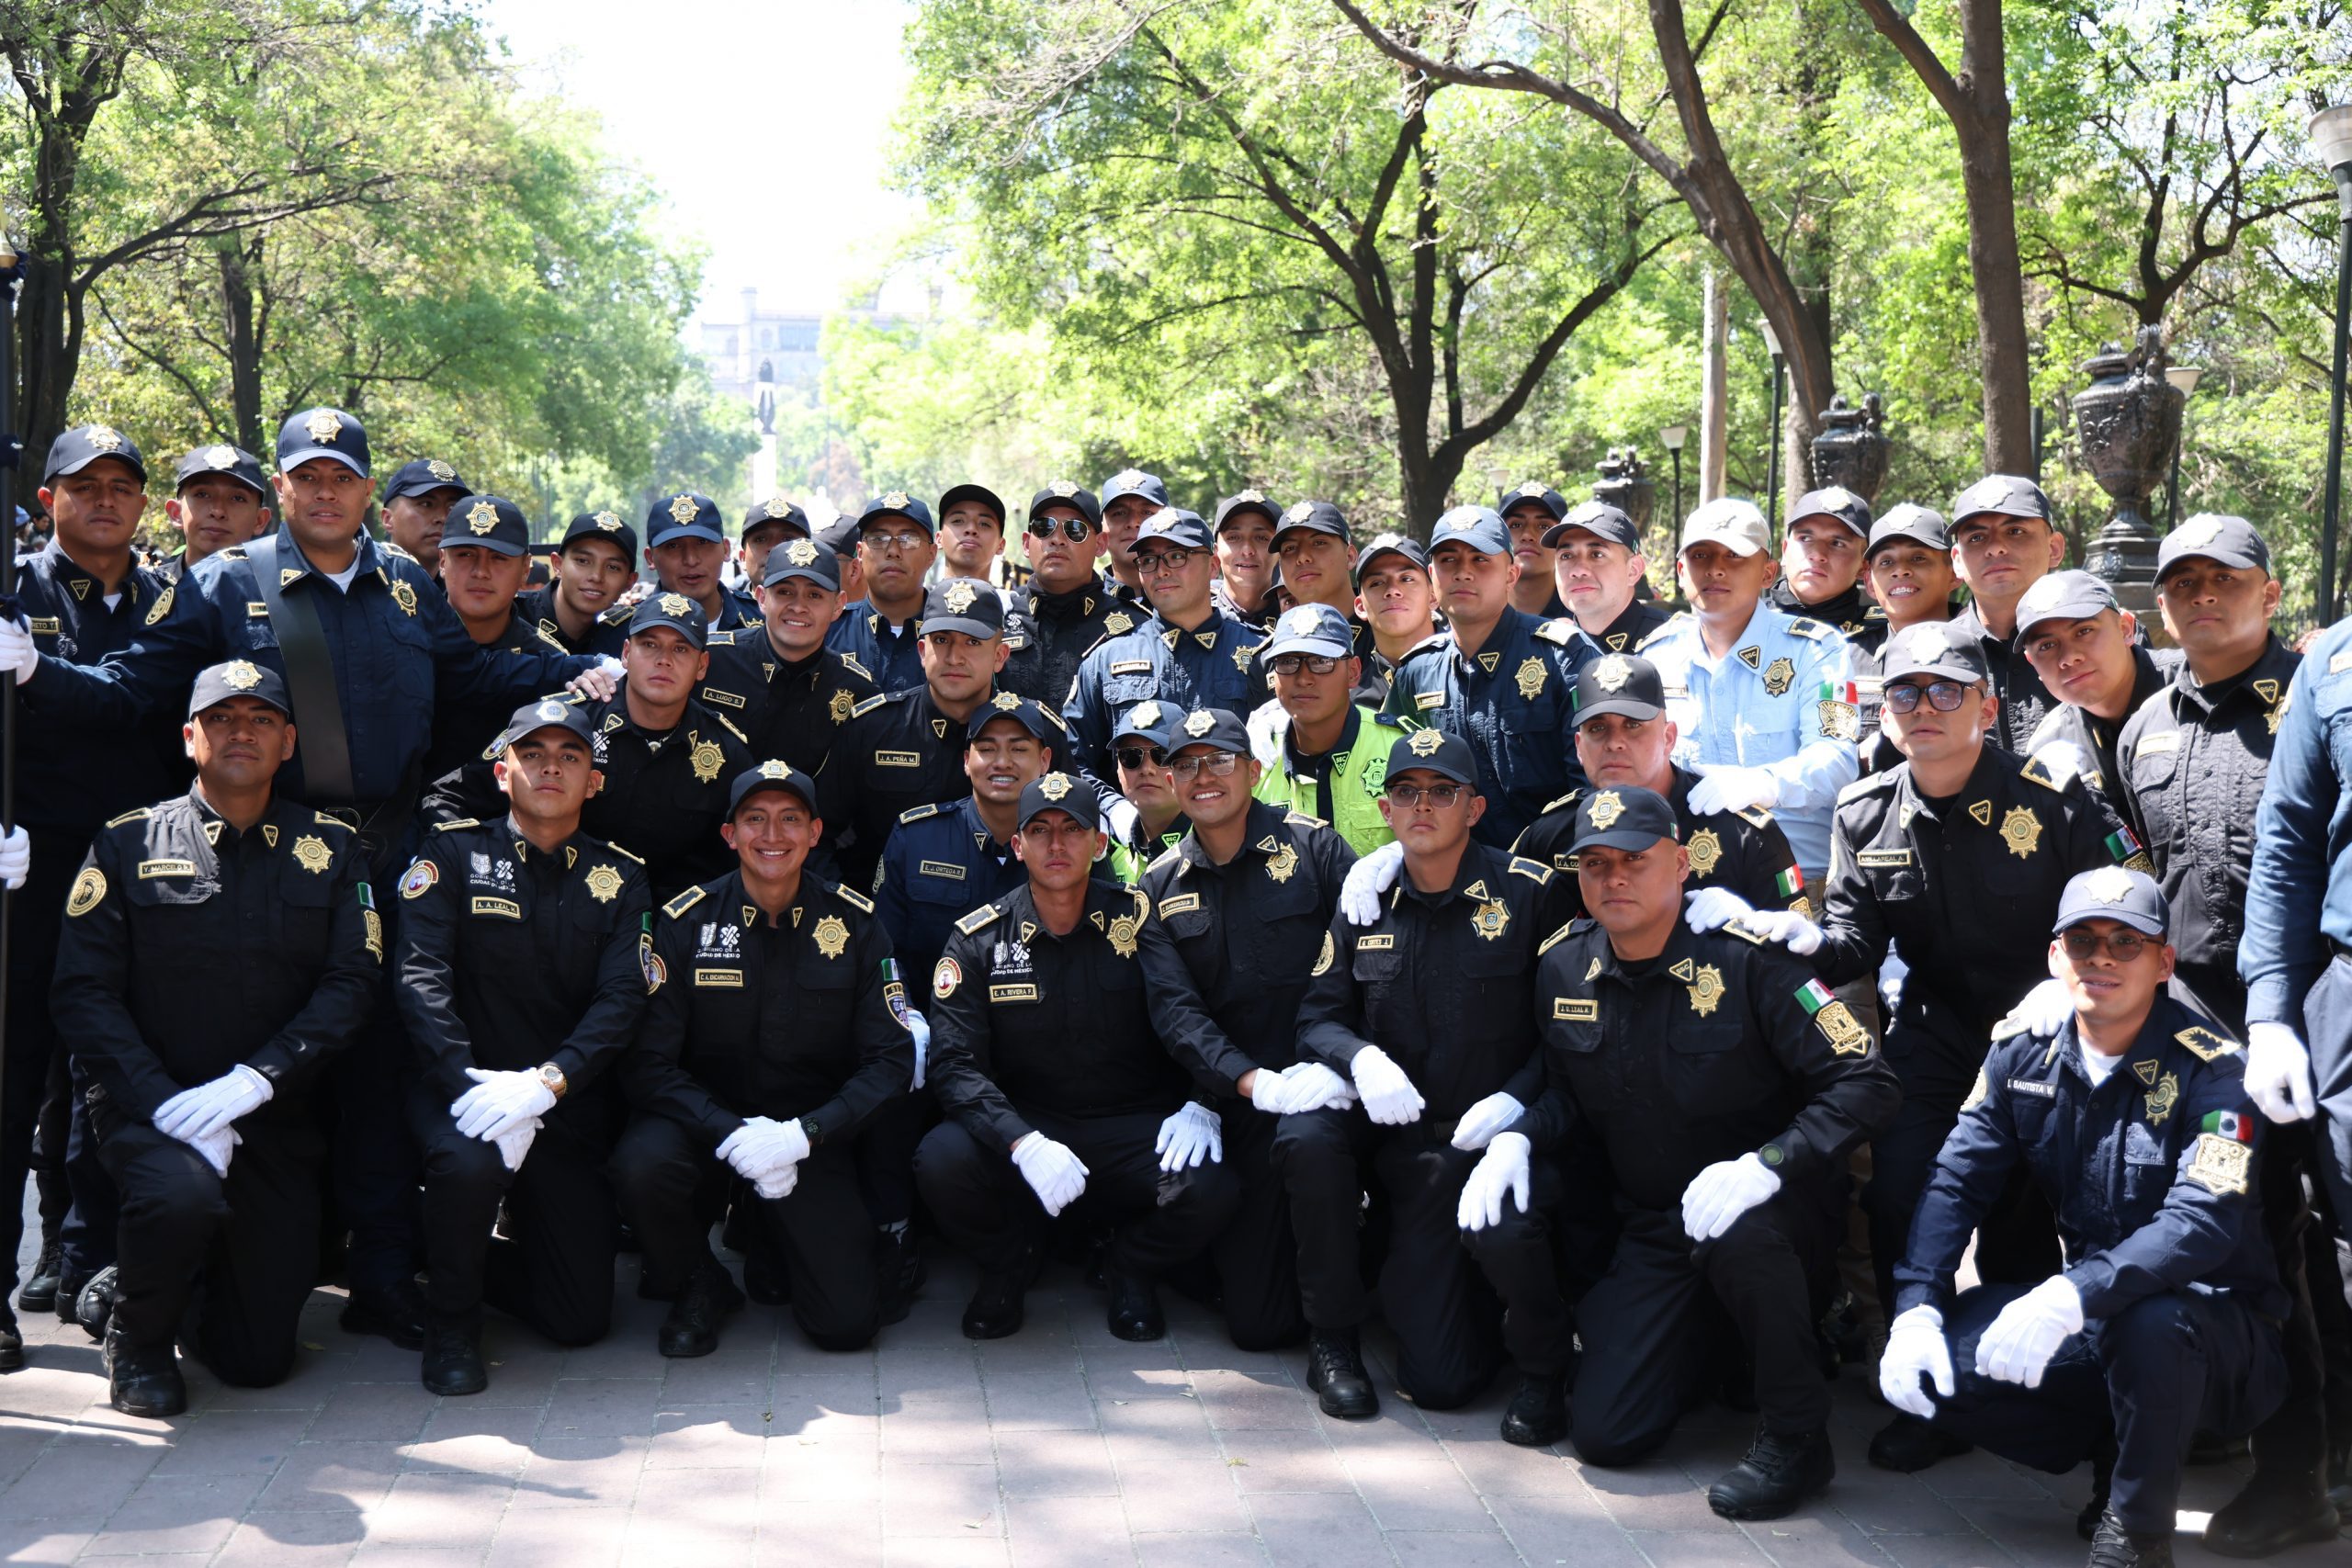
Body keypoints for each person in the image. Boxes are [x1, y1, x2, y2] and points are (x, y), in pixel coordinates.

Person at [4, 408, 607, 1349]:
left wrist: (585, 673)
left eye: (342, 478)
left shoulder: (407, 581)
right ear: (281, 489)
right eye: (307, 478)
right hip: (270, 868)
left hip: (388, 856)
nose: (325, 494)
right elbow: (129, 695)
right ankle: (159, 1264)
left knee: (377, 1069)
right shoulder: (218, 584)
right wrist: (37, 672)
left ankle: (378, 1272)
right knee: (250, 1052)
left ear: (367, 492)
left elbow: (471, 676)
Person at [1692, 620, 2146, 1472]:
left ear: (1984, 703)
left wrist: (2074, 976)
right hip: (1938, 1033)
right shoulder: (1866, 809)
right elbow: (1852, 943)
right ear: (1885, 712)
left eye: (1946, 689)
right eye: (1906, 692)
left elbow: (2124, 898)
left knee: (2043, 1216)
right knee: (1901, 1191)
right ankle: (1934, 1392)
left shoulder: (2053, 795)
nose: (1925, 706)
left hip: (2054, 1022)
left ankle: (2082, 1414)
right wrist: (1780, 932)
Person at [1467, 784, 1896, 1510]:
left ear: (1679, 865)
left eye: (1634, 860)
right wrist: (1518, 1135)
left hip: (1772, 1216)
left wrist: (1771, 1165)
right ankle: (1712, 1350)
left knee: (1742, 1237)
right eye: (1594, 864)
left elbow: (1867, 1081)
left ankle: (1797, 1437)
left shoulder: (1749, 960)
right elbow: (1570, 1091)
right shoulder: (1565, 967)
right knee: (1607, 1435)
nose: (1614, 879)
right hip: (1660, 1225)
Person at [1879, 867, 2286, 1568]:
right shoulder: (2021, 1055)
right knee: (1941, 1363)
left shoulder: (2217, 1074)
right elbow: (1955, 1182)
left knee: (2149, 1323)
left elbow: (2203, 1225)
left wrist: (2070, 1293)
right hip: (2098, 1314)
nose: (2101, 957)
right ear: (2054, 956)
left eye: (2126, 942)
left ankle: (2137, 1530)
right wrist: (1915, 1306)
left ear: (2164, 962)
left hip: (2219, 1336)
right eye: (2083, 939)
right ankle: (2114, 1446)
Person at [51, 661, 379, 1411]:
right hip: (148, 1110)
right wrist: (164, 1104)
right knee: (180, 1196)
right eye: (223, 717)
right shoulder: (126, 843)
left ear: (288, 741)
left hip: (271, 1115)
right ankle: (137, 1338)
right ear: (190, 734)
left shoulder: (331, 848)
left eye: (261, 719)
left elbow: (352, 982)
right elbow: (82, 993)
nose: (242, 731)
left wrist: (258, 1080)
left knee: (257, 1360)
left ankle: (154, 1277)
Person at [2117, 517, 2343, 1551]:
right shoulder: (2142, 725)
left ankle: (2320, 1460)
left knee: (2322, 1248)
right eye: (2182, 583)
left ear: (2271, 589)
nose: (2202, 597)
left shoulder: (2308, 693)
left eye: (2225, 579)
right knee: (2255, 1250)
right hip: (2200, 1037)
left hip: (2305, 1013)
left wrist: (2283, 1010)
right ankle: (2286, 1462)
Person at [1276, 731, 1559, 1419]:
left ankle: (1523, 1341)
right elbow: (1317, 1017)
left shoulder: (1530, 897)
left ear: (1476, 807)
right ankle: (1334, 1337)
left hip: (1482, 1144)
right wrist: (1361, 1059)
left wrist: (1516, 1101)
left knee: (1441, 1383)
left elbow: (1572, 1030)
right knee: (1305, 1134)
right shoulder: (1366, 898)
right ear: (1386, 806)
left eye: (1442, 791)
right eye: (1407, 791)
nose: (1422, 805)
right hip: (1397, 1144)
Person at [916, 772, 1240, 1341]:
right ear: (1017, 846)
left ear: (1100, 843)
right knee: (941, 1158)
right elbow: (954, 1065)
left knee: (1213, 1185)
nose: (1057, 845)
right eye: (1040, 831)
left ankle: (1130, 1265)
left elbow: (1185, 1018)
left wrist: (1205, 1097)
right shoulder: (978, 940)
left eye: (1073, 830)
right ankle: (1007, 1263)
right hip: (1028, 1124)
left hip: (1130, 1126)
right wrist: (1021, 1139)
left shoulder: (1137, 922)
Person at [615, 761, 917, 1355]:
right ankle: (700, 1278)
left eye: (789, 819)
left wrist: (804, 1134)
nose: (772, 835)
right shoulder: (686, 921)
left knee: (846, 1325)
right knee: (640, 1164)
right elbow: (647, 1061)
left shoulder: (854, 923)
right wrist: (729, 1131)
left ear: (814, 832)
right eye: (755, 819)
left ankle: (767, 1226)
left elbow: (891, 1058)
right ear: (730, 834)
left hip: (806, 1135)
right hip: (707, 1125)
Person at [395, 700, 651, 1393]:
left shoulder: (621, 877)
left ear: (593, 782)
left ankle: (436, 1249)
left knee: (578, 1318)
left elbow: (622, 998)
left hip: (561, 1104)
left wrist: (550, 1082)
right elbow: (420, 975)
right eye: (532, 753)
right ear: (502, 770)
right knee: (469, 1165)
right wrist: (467, 1084)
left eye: (570, 756)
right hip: (462, 1095)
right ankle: (452, 1323)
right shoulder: (451, 854)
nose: (550, 767)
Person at [0, 426, 181, 1332]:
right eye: (85, 484)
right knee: (14, 1065)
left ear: (145, 505)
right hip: (25, 865)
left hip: (129, 868)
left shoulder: (166, 604)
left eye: (123, 485)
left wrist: (37, 674)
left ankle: (87, 1264)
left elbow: (129, 701)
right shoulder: (12, 592)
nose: (106, 499)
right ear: (48, 500)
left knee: (107, 1071)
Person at [1136, 710, 1358, 1351]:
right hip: (1243, 1098)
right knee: (1259, 1326)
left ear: (1254, 770)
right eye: (1186, 764)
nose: (1203, 776)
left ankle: (1336, 1345)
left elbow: (1366, 961)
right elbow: (1177, 1012)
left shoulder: (1315, 848)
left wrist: (1343, 1060)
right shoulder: (1159, 885)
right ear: (1172, 781)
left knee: (1314, 1149)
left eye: (1220, 759)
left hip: (1327, 1083)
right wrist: (1241, 1081)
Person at [427, 596, 755, 902]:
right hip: (547, 906)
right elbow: (451, 797)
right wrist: (475, 874)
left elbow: (737, 856)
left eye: (681, 649)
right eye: (649, 644)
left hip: (666, 923)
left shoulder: (726, 752)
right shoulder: (568, 721)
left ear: (702, 665)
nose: (664, 660)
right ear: (626, 653)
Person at [1641, 497, 1856, 894]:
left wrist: (1766, 784)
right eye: (1701, 555)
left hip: (1795, 886)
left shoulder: (1818, 650)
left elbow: (1838, 758)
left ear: (1768, 572)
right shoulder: (1655, 657)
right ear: (1681, 570)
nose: (1716, 568)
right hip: (1683, 886)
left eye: (1735, 555)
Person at [1510, 654, 1804, 931]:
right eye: (1597, 728)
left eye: (1633, 725)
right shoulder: (1550, 836)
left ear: (1669, 738)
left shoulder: (1741, 832)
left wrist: (1751, 926)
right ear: (1578, 746)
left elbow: (1798, 956)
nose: (1615, 743)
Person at [1377, 505, 1594, 850]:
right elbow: (1390, 778)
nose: (1463, 573)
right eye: (1449, 561)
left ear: (1511, 574)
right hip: (1448, 880)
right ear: (1432, 576)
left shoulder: (1561, 656)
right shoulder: (1417, 671)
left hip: (1553, 876)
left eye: (1480, 560)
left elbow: (1593, 786)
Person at [822, 577, 1012, 892]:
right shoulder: (873, 728)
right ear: (922, 651)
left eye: (973, 642)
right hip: (885, 926)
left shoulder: (1034, 734)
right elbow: (818, 836)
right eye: (941, 640)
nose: (954, 657)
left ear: (1000, 656)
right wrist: (850, 918)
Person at [1062, 507, 1269, 784]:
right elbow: (1073, 759)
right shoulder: (1106, 660)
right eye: (1148, 560)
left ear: (1213, 565)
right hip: (1139, 824)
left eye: (1176, 557)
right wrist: (1116, 810)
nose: (1161, 571)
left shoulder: (1260, 653)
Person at [875, 694, 1061, 990]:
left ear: (1044, 761)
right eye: (987, 749)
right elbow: (883, 951)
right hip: (933, 1021)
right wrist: (907, 1014)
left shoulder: (1066, 846)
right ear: (966, 761)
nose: (1002, 762)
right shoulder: (915, 839)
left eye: (1018, 748)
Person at [423, 497, 576, 782]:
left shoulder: (549, 660)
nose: (481, 571)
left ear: (526, 569)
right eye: (466, 554)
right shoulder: (409, 638)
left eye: (499, 558)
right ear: (442, 561)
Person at [696, 539, 875, 782]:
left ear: (837, 605)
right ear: (761, 599)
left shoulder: (857, 690)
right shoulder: (710, 661)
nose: (798, 607)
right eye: (784, 592)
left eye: (814, 595)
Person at [1250, 604, 1404, 856]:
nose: (1303, 678)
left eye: (1321, 662)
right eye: (1288, 662)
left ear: (1353, 672)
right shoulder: (1256, 762)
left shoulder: (1397, 750)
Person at [2015, 570, 2176, 801]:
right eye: (2047, 645)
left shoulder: (2195, 691)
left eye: (2084, 631)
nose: (2069, 657)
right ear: (2033, 664)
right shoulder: (2048, 748)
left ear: (2125, 629)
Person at [1944, 475, 2064, 753]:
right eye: (1976, 537)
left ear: (2054, 548)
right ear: (1957, 562)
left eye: (2015, 532)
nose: (1996, 547)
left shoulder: (2102, 637)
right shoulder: (1940, 654)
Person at [999, 482, 1132, 708]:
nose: (1057, 539)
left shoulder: (1133, 627)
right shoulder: (999, 620)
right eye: (1044, 528)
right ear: (1026, 543)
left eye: (1074, 530)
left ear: (1100, 545)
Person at [1852, 504, 1958, 752]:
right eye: (1886, 562)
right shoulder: (1844, 659)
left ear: (1954, 572)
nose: (1901, 571)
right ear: (1869, 582)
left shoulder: (1982, 650)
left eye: (1918, 558)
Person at [828, 491, 940, 694]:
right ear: (860, 553)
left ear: (931, 554)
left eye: (908, 539)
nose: (893, 550)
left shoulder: (950, 634)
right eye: (879, 539)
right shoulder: (829, 631)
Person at [1547, 501, 1668, 655]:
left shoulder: (1674, 644)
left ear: (1633, 570)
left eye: (1597, 554)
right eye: (1566, 556)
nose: (1578, 570)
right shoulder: (1546, 649)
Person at [517, 512, 639, 657]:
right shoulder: (512, 617)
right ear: (558, 565)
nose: (596, 576)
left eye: (613, 567)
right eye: (583, 561)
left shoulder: (620, 639)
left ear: (629, 582)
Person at [1770, 487, 1882, 640]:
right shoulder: (1744, 623)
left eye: (1837, 543)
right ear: (1785, 551)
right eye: (1805, 539)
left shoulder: (1885, 635)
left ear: (1864, 566)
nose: (1817, 555)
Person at [644, 491, 762, 637]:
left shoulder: (764, 622)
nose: (691, 560)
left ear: (726, 550)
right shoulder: (622, 633)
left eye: (703, 542)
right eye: (673, 546)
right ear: (650, 558)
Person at [1102, 703, 1189, 885]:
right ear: (1117, 769)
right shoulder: (1107, 860)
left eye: (1162, 754)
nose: (1147, 769)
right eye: (1130, 756)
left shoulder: (1215, 846)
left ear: (1188, 766)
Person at [159, 444, 271, 582]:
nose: (218, 511)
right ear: (176, 513)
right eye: (203, 494)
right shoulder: (148, 592)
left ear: (259, 520)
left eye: (237, 498)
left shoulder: (277, 596)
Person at [1352, 533, 1443, 682]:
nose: (1392, 591)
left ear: (1433, 597)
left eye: (1407, 579)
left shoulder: (1465, 669)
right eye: (1376, 583)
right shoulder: (1350, 689)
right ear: (1361, 607)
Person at [378, 457, 470, 578]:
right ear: (388, 519)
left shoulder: (460, 592)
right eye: (426, 504)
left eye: (452, 508)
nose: (442, 518)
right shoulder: (357, 583)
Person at [1498, 480, 1570, 620]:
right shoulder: (1477, 613)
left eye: (1544, 526)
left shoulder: (1583, 616)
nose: (1527, 536)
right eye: (1516, 525)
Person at [1211, 490, 1281, 631]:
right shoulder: (1195, 617)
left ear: (1281, 551)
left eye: (1261, 538)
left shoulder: (1297, 619)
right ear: (1216, 551)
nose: (1247, 550)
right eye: (1234, 537)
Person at [1097, 468, 1167, 606]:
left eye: (1147, 512)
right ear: (1101, 529)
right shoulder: (1082, 611)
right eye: (1119, 513)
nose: (1133, 523)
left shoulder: (1200, 606)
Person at [936, 482, 1007, 583]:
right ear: (939, 538)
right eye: (958, 521)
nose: (971, 529)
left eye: (984, 524)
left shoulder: (1008, 599)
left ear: (1001, 545)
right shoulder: (921, 599)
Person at [738, 496, 808, 594]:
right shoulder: (723, 608)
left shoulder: (827, 608)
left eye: (787, 539)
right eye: (760, 539)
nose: (774, 548)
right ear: (743, 558)